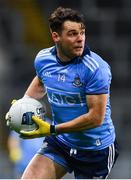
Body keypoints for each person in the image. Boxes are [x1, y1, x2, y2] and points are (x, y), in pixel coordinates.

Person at [6, 7, 119, 179]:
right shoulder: (43, 59)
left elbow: (95, 118)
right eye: (72, 33)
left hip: (95, 150)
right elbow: (41, 81)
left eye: (82, 32)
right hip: (61, 143)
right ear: (56, 36)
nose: (80, 39)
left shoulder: (96, 69)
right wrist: (23, 103)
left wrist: (52, 129)